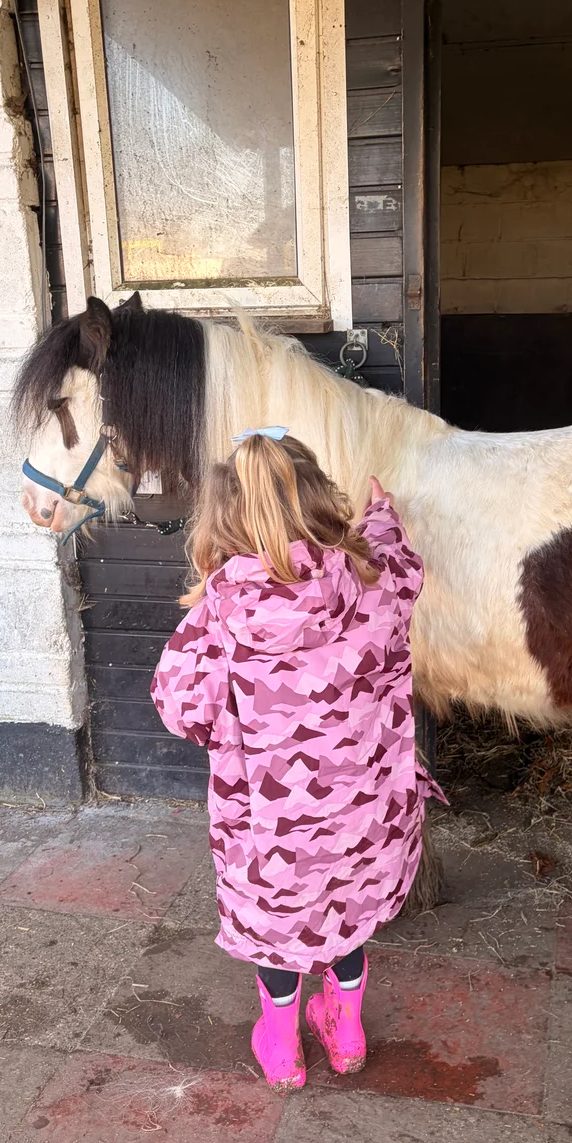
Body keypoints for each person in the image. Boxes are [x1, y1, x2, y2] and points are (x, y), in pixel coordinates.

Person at [150, 428, 443, 1091]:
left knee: (281, 931)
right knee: (347, 913)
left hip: (270, 830)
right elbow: (403, 565)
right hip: (364, 819)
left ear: (223, 519)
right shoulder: (375, 586)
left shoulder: (217, 616)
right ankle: (346, 1031)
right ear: (318, 500)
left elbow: (179, 708)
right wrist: (383, 517)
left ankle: (281, 1044)